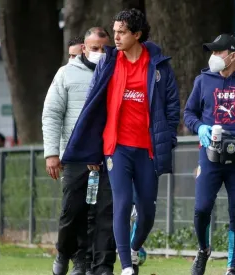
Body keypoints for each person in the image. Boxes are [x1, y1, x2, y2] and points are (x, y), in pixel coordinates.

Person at [61, 8, 180, 275]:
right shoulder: (108, 63)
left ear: (137, 35)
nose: (115, 37)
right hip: (117, 147)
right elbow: (93, 108)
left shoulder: (158, 64)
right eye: (114, 31)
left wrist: (167, 138)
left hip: (147, 149)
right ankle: (126, 266)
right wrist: (92, 152)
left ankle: (135, 248)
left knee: (147, 211)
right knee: (122, 204)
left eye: (122, 32)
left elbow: (172, 106)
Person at [184, 34, 235, 275]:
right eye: (213, 51)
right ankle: (202, 250)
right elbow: (189, 113)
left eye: (219, 52)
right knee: (201, 208)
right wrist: (200, 128)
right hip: (209, 156)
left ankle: (232, 266)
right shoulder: (203, 80)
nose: (214, 56)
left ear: (233, 56)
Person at [42, 27, 115, 275]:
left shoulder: (115, 72)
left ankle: (93, 264)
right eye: (94, 48)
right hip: (74, 157)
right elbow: (52, 113)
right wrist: (52, 153)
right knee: (72, 211)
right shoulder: (66, 74)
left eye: (104, 49)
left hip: (105, 157)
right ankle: (65, 252)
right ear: (84, 48)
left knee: (101, 213)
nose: (99, 53)